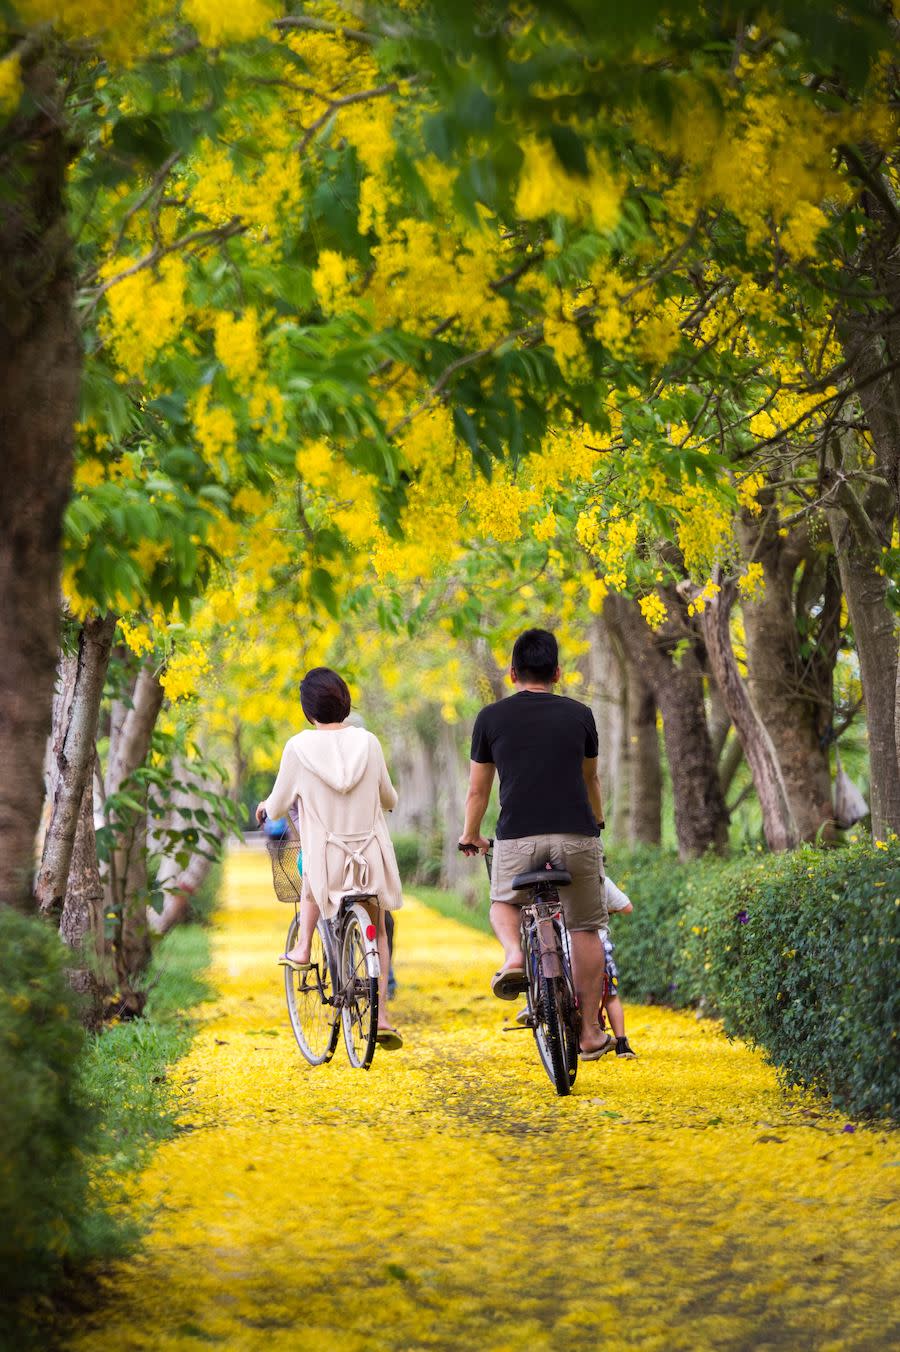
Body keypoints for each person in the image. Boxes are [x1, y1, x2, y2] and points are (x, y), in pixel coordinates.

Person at [459, 628, 613, 1060]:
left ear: (511, 674)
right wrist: (597, 820)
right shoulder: (581, 714)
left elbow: (478, 792)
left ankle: (513, 958)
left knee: (504, 901)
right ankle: (587, 1032)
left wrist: (470, 834)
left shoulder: (490, 718)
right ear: (558, 672)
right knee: (585, 926)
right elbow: (590, 778)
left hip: (518, 838)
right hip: (577, 835)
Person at [256, 667, 403, 1050]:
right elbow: (390, 799)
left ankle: (303, 946)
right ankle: (382, 1016)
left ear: (309, 712)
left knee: (310, 883)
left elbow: (276, 806)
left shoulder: (298, 748)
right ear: (346, 703)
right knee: (380, 929)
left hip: (326, 862)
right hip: (369, 859)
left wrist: (264, 808)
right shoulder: (369, 743)